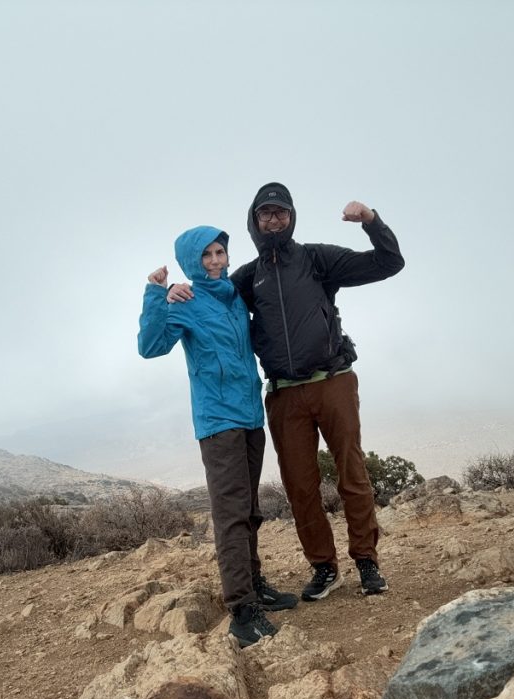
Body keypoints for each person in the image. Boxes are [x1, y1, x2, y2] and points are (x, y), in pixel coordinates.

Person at [169, 184, 404, 601]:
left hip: (333, 382)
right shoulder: (247, 278)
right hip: (283, 395)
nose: (274, 220)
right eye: (266, 214)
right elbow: (213, 294)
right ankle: (324, 568)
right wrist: (173, 293)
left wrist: (371, 220)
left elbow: (389, 262)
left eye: (281, 212)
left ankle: (366, 561)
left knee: (352, 475)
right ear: (255, 221)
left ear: (292, 216)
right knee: (299, 488)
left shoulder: (318, 259)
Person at [138, 225, 298, 648]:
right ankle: (242, 612)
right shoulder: (185, 301)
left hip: (249, 415)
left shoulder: (233, 297)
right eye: (206, 255)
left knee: (250, 509)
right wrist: (157, 295)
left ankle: (255, 582)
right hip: (217, 421)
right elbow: (150, 346)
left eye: (220, 252)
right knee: (230, 515)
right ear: (193, 260)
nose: (215, 261)